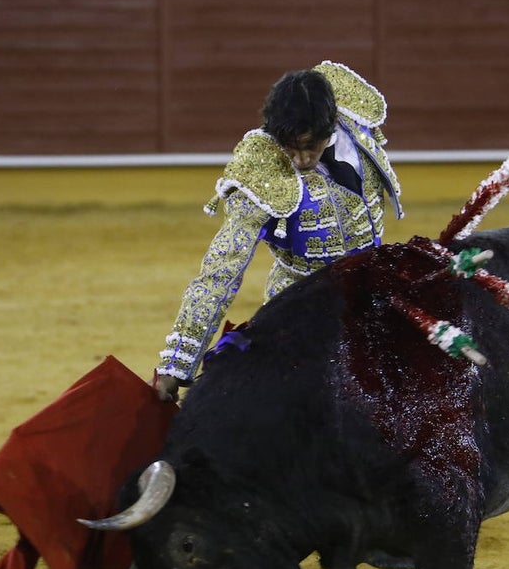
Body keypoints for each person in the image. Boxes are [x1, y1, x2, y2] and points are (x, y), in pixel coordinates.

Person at [154, 61, 403, 402]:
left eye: (310, 146)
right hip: (301, 309)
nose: (300, 159)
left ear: (331, 124)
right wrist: (176, 364)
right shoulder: (261, 173)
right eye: (290, 147)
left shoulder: (355, 123)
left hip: (374, 292)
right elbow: (220, 270)